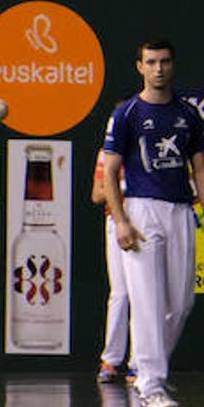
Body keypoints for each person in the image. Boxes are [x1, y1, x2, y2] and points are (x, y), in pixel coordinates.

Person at [101, 40, 204, 407]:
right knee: (147, 303)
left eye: (165, 61)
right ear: (139, 66)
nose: (158, 69)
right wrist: (121, 220)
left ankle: (149, 366)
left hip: (181, 211)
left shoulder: (188, 114)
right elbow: (109, 169)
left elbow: (200, 169)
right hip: (140, 210)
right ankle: (150, 384)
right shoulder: (127, 114)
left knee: (182, 303)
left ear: (174, 65)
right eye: (151, 62)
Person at [92, 147, 134, 385]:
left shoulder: (149, 147)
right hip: (116, 222)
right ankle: (110, 361)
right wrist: (124, 190)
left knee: (143, 296)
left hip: (146, 221)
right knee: (120, 293)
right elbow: (97, 195)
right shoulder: (106, 154)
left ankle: (138, 364)